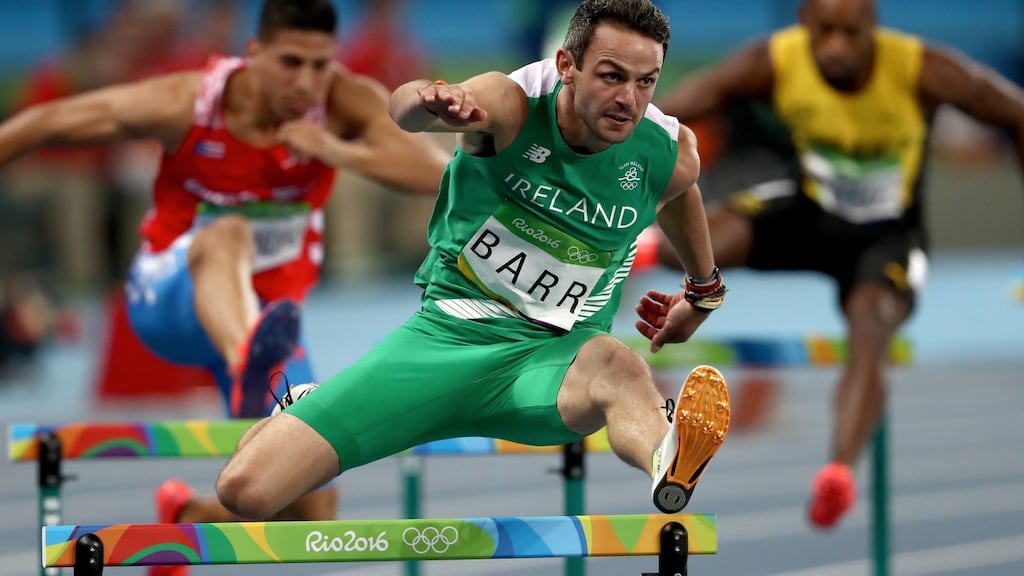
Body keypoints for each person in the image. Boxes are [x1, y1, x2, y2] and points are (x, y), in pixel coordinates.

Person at [212, 0, 732, 523]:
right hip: (445, 344)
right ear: (567, 65)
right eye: (612, 76)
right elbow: (403, 110)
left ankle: (667, 457)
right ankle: (310, 404)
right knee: (247, 492)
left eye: (647, 82)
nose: (629, 99)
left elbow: (678, 186)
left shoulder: (666, 148)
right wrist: (431, 100)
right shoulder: (510, 103)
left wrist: (703, 290)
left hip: (551, 365)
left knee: (618, 364)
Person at [0, 0, 450, 573]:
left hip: (269, 319)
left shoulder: (339, 101)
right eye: (290, 63)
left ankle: (189, 516)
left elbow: (439, 173)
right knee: (227, 233)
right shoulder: (189, 101)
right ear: (253, 54)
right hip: (171, 302)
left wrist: (335, 150)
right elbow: (45, 122)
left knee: (312, 506)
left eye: (319, 65)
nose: (306, 82)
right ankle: (247, 358)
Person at [647, 0, 1024, 529]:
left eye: (851, 32)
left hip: (888, 239)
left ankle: (838, 475)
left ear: (873, 24)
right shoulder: (774, 61)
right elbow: (666, 114)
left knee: (870, 329)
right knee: (680, 243)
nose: (837, 48)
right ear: (804, 22)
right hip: (811, 215)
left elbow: (1014, 111)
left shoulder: (924, 70)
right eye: (824, 31)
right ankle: (626, 250)